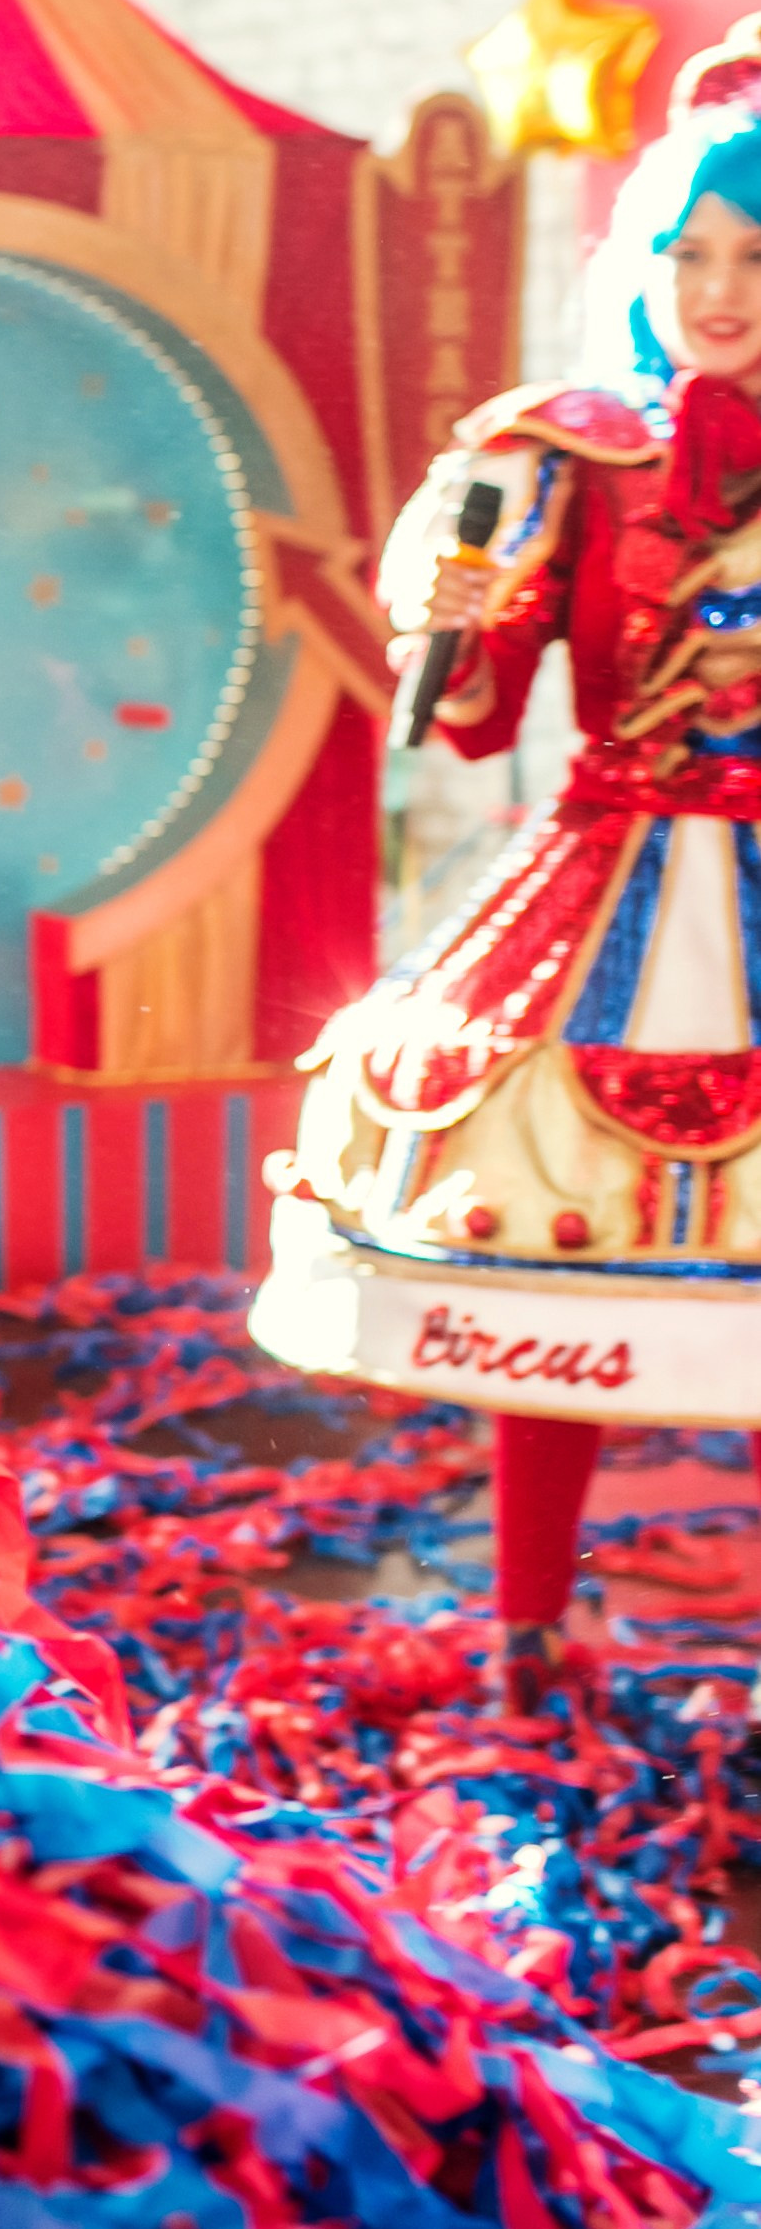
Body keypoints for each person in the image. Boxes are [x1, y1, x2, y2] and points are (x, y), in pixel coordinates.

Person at [254, 98, 761, 1701]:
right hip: (607, 875)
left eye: (757, 255)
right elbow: (472, 716)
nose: (721, 289)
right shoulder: (567, 454)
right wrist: (453, 630)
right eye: (693, 252)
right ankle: (529, 1627)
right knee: (558, 1249)